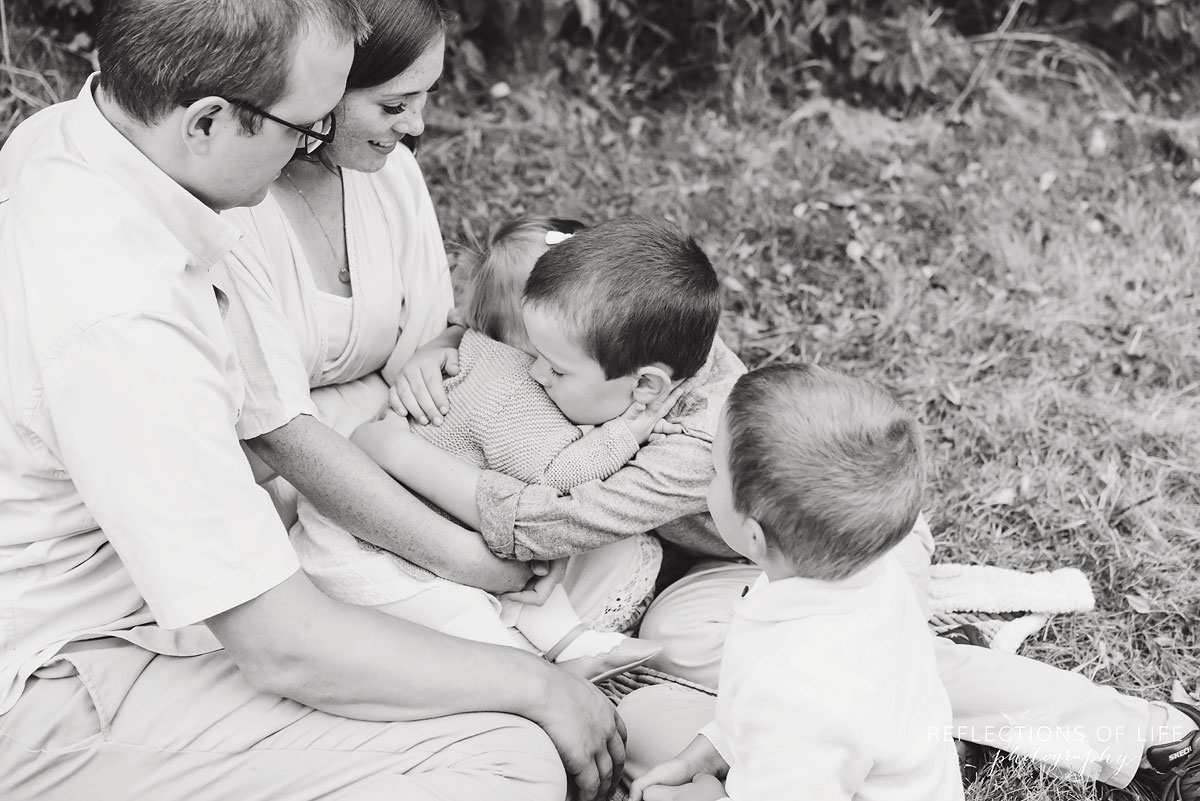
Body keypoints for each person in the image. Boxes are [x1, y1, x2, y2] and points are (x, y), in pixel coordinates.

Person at [0, 2, 623, 800]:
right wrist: (538, 686)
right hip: (71, 670)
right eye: (303, 127)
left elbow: (276, 416)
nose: (315, 148)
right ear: (208, 121)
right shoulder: (122, 320)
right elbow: (282, 642)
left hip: (161, 601)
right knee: (504, 758)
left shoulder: (83, 139)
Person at [393, 220, 1200, 795]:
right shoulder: (635, 329)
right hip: (751, 561)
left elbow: (550, 523)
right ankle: (883, 730)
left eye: (546, 366)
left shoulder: (701, 442)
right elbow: (509, 311)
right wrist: (446, 351)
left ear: (639, 382)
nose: (527, 376)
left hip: (841, 545)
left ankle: (1144, 737)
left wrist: (394, 453)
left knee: (872, 666)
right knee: (678, 636)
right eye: (518, 355)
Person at [216, 0, 660, 655]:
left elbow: (446, 331)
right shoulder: (236, 205)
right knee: (459, 610)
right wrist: (471, 555)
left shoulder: (389, 177)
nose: (417, 126)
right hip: (308, 489)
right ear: (319, 89)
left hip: (425, 455)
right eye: (393, 106)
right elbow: (278, 437)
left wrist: (438, 349)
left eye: (424, 99)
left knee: (613, 548)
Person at [302, 216, 669, 682]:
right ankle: (534, 679)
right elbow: (555, 477)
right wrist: (625, 433)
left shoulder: (476, 352)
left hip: (417, 528)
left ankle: (572, 643)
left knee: (529, 573)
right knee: (466, 618)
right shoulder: (519, 394)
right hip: (366, 552)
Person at [624, 363, 963, 801]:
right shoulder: (867, 569)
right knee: (648, 719)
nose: (710, 477)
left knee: (635, 721)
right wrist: (705, 753)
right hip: (859, 764)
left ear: (753, 536)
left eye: (715, 472)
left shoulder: (798, 690)